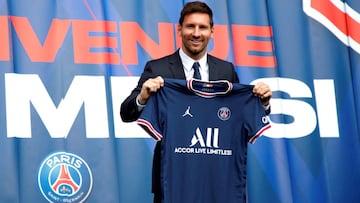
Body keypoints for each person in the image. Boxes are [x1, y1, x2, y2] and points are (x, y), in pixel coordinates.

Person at [120, 1, 272, 202]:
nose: (196, 33)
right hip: (173, 180)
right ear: (179, 29)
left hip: (217, 179)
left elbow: (238, 116)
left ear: (212, 31)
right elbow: (126, 113)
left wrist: (263, 103)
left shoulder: (226, 70)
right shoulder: (158, 68)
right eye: (190, 26)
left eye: (202, 27)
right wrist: (144, 96)